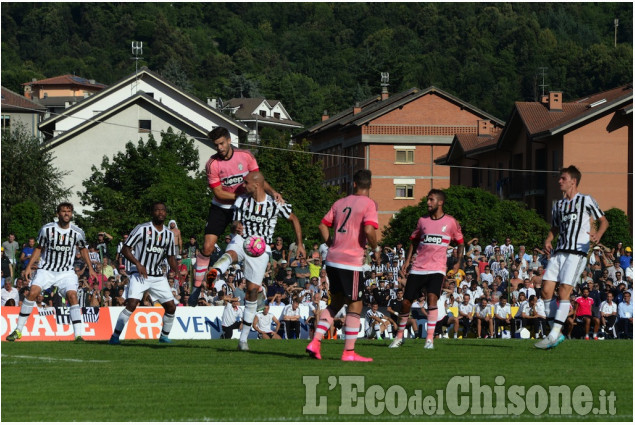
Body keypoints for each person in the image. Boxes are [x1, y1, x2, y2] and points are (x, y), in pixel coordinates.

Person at [206, 171, 304, 350]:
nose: (243, 185)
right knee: (232, 254)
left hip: (261, 248)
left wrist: (300, 244)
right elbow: (235, 223)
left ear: (257, 185)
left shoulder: (275, 204)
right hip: (243, 239)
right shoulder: (241, 200)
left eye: (246, 183)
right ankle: (215, 272)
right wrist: (236, 226)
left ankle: (243, 340)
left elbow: (294, 219)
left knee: (252, 293)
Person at [191, 127, 283, 305]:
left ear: (229, 140)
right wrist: (240, 197)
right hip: (221, 206)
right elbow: (218, 192)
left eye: (221, 143)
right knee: (208, 247)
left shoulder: (245, 156)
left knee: (244, 243)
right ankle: (196, 287)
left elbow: (258, 179)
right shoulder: (212, 164)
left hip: (242, 207)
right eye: (216, 145)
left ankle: (251, 286)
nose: (219, 148)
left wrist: (273, 192)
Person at [306, 169, 380, 362]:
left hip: (332, 259)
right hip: (351, 261)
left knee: (337, 302)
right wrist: (376, 248)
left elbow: (322, 225)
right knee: (356, 303)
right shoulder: (369, 203)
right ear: (370, 186)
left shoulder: (340, 203)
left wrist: (331, 243)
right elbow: (369, 229)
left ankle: (315, 342)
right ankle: (349, 352)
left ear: (353, 184)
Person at [535, 166, 609, 349]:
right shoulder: (558, 205)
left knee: (564, 291)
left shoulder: (586, 200)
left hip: (577, 252)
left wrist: (598, 234)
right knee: (545, 290)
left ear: (573, 181)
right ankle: (556, 333)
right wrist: (548, 239)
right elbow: (555, 228)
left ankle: (552, 336)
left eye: (563, 178)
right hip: (559, 251)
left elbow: (604, 221)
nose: (559, 181)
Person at [6, 203, 96, 341]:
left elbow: (83, 249)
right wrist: (29, 266)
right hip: (46, 270)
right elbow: (39, 248)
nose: (66, 214)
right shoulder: (47, 229)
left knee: (72, 296)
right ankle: (18, 330)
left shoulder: (78, 232)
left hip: (66, 272)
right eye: (63, 211)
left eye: (69, 211)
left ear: (71, 214)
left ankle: (78, 334)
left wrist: (90, 267)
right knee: (32, 293)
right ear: (57, 214)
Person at [390, 190, 464, 349]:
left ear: (440, 202)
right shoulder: (422, 221)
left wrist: (458, 261)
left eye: (431, 199)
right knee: (406, 303)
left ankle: (429, 340)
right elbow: (413, 241)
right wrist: (407, 261)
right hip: (418, 268)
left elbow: (460, 242)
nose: (428, 203)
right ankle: (399, 337)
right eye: (427, 199)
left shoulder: (451, 222)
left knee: (432, 298)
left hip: (437, 268)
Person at [108, 202, 179, 344]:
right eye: (157, 210)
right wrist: (138, 264)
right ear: (152, 213)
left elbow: (170, 256)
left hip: (158, 276)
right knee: (132, 304)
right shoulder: (142, 229)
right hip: (140, 274)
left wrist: (177, 271)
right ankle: (115, 336)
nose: (160, 213)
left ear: (166, 213)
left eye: (163, 210)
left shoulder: (169, 234)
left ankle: (164, 336)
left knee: (171, 307)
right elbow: (125, 249)